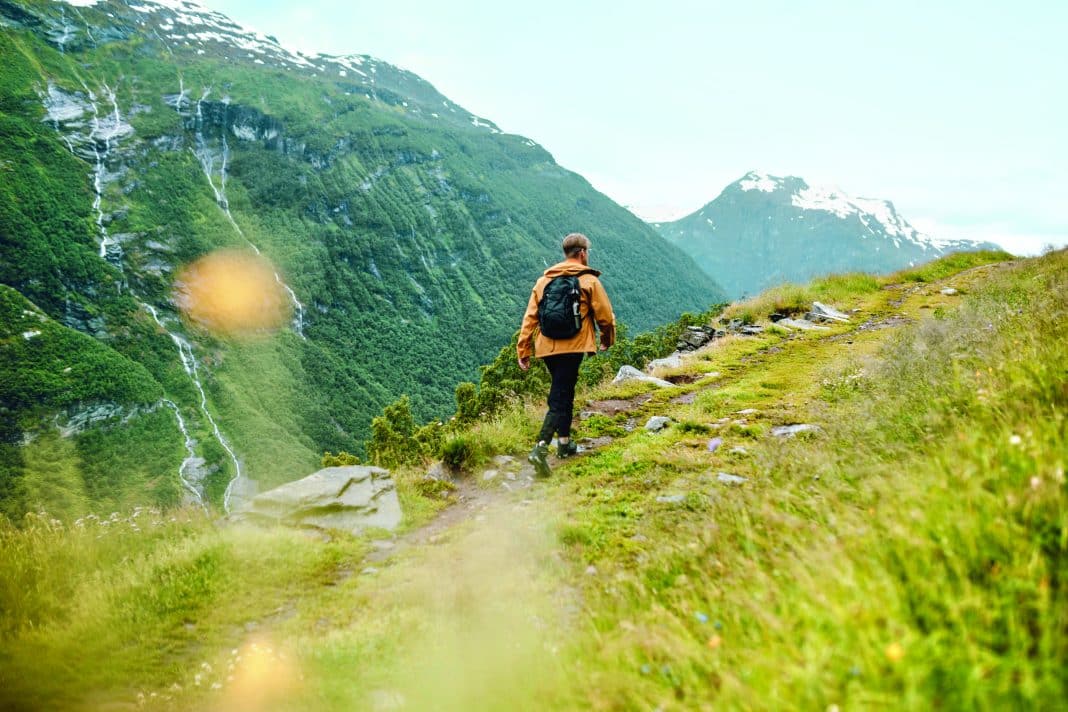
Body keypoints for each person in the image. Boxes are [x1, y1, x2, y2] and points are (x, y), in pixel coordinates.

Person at [517, 232, 616, 477]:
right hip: (574, 345)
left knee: (564, 389)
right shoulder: (588, 281)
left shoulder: (543, 282)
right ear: (582, 253)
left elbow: (529, 318)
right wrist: (607, 340)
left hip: (547, 347)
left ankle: (564, 443)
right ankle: (540, 448)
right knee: (560, 396)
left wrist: (524, 349)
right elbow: (605, 315)